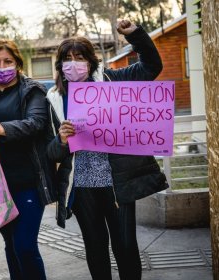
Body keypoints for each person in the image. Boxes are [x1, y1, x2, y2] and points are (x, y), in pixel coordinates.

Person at [47, 20, 164, 280]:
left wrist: (135, 35)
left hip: (116, 184)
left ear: (91, 61)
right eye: (67, 58)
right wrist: (61, 141)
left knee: (125, 246)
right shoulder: (54, 98)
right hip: (82, 188)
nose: (73, 63)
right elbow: (51, 153)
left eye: (79, 57)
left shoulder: (114, 80)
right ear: (60, 65)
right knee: (95, 248)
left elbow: (152, 66)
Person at [0, 39, 56, 280]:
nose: (2, 66)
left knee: (25, 246)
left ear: (18, 63)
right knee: (11, 246)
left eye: (8, 61)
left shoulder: (32, 90)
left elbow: (36, 123)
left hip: (28, 181)